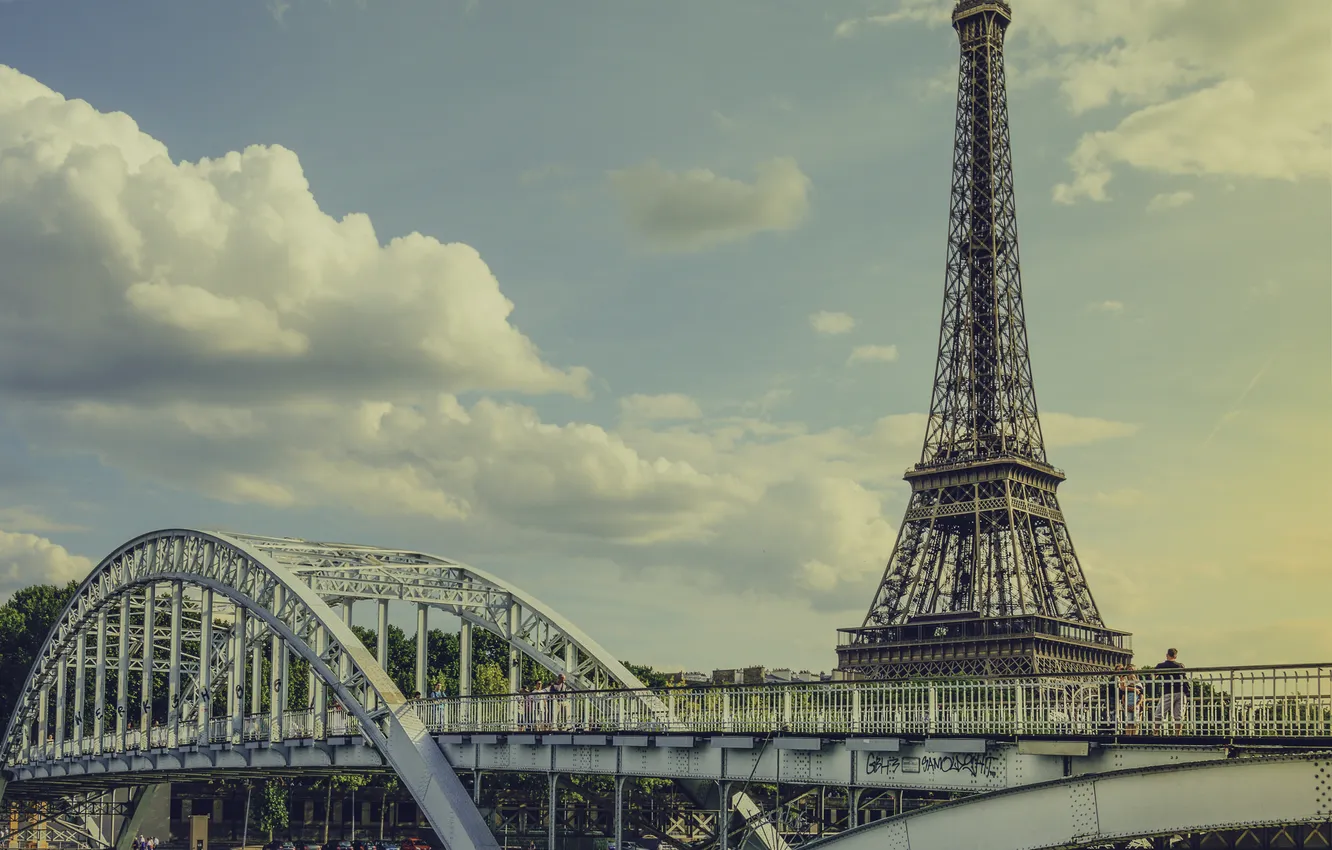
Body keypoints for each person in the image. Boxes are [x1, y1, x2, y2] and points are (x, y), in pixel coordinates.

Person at [1154, 648, 1187, 730]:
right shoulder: (1180, 666)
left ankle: (1156, 732)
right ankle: (1177, 734)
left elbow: (1153, 675)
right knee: (1178, 716)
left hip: (1168, 691)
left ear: (1167, 655)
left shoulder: (1161, 666)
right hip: (1180, 692)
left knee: (1159, 713)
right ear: (1175, 656)